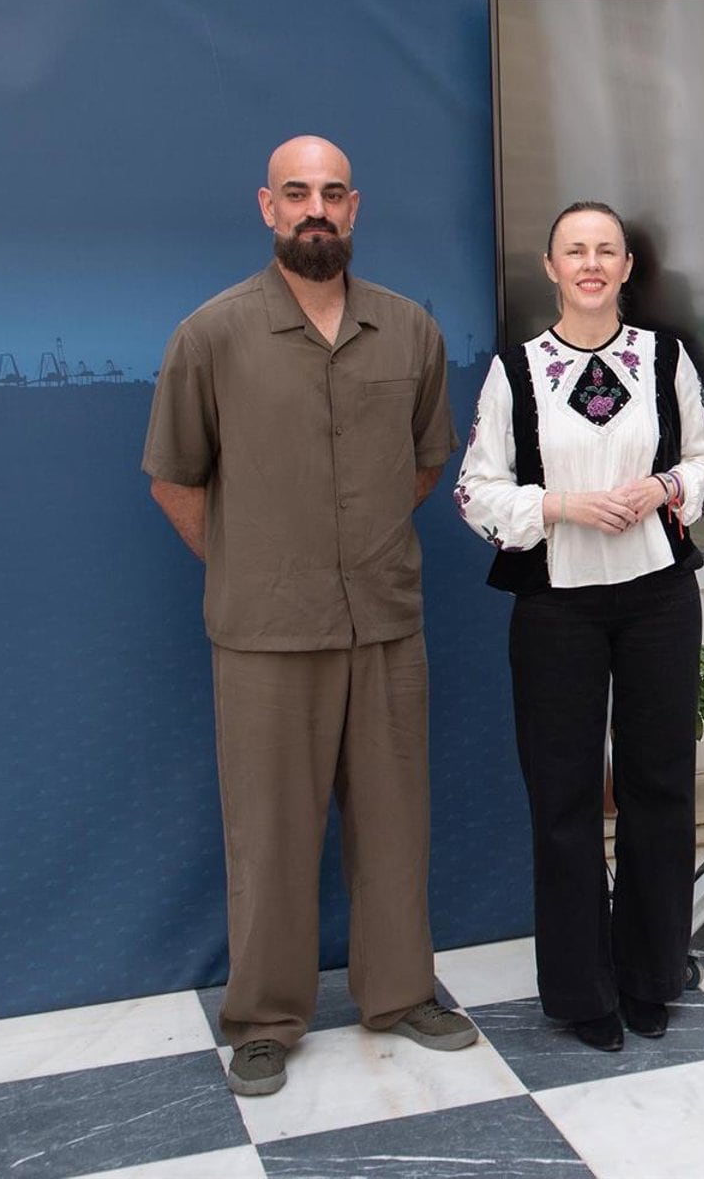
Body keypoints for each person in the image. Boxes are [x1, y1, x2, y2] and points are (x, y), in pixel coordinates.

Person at [143, 135, 475, 1097]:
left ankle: (401, 992)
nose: (314, 209)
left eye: (332, 192)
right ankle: (263, 1019)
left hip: (384, 621)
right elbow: (176, 478)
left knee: (393, 822)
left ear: (356, 206)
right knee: (270, 832)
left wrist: (351, 551)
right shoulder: (212, 334)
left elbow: (423, 464)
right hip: (263, 633)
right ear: (266, 206)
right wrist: (255, 563)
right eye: (297, 194)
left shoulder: (410, 330)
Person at [456, 202, 704, 1052]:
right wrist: (561, 505)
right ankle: (583, 991)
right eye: (575, 250)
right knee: (565, 800)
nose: (591, 263)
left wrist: (664, 490)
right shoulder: (514, 370)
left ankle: (652, 975)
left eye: (606, 250)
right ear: (549, 266)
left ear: (626, 268)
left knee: (659, 789)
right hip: (557, 607)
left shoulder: (667, 356)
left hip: (656, 599)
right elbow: (474, 490)